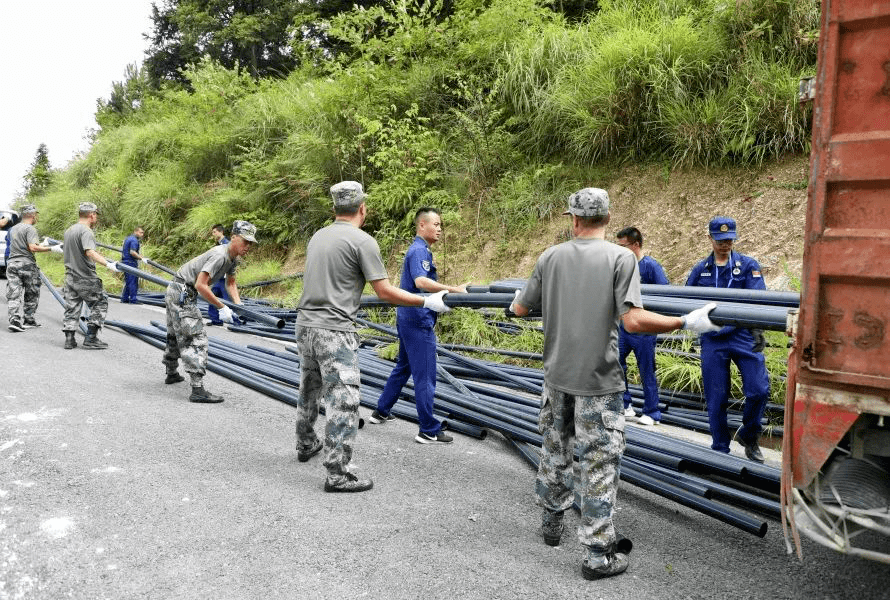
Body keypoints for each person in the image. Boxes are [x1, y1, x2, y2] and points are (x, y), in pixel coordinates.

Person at [510, 188, 719, 580]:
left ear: (573, 219)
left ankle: (552, 528)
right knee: (599, 465)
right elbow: (633, 321)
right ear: (607, 219)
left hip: (556, 377)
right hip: (599, 382)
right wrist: (686, 322)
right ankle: (596, 555)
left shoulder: (549, 257)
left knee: (555, 450)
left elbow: (520, 308)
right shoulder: (621, 258)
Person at [295, 181, 451, 493]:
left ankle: (306, 443)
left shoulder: (318, 236)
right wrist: (425, 301)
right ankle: (337, 473)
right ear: (362, 208)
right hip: (334, 330)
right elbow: (384, 291)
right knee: (344, 400)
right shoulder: (362, 241)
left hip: (305, 325)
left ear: (335, 208)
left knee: (310, 388)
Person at [368, 207, 469, 444]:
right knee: (425, 374)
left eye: (441, 225)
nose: (440, 229)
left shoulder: (419, 250)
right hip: (417, 319)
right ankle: (427, 429)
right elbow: (421, 281)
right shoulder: (419, 251)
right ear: (421, 225)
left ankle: (381, 411)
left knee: (403, 367)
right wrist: (454, 289)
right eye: (436, 224)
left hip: (407, 317)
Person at [685, 216, 770, 463]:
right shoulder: (701, 269)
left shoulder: (747, 265)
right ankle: (720, 448)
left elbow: (758, 299)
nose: (725, 244)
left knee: (758, 390)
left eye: (729, 239)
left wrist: (757, 330)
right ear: (710, 238)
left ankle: (749, 435)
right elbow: (687, 300)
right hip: (713, 339)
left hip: (743, 334)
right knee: (716, 396)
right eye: (720, 240)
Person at [163, 220, 256, 403]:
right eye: (245, 241)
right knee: (195, 338)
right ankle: (197, 389)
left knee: (175, 333)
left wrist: (239, 306)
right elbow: (201, 285)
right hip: (183, 291)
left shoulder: (232, 258)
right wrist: (221, 307)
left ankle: (171, 372)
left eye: (251, 243)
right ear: (234, 237)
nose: (248, 247)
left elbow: (231, 283)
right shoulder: (220, 255)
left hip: (177, 290)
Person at [615, 226, 670, 426]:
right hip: (624, 326)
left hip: (644, 329)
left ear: (636, 245)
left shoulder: (650, 266)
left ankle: (652, 412)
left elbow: (665, 295)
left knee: (646, 369)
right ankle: (624, 404)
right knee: (615, 364)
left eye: (623, 246)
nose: (619, 250)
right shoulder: (622, 266)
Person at [61, 202, 119, 350]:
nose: (96, 218)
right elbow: (89, 252)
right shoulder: (86, 231)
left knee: (72, 307)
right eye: (96, 215)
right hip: (85, 277)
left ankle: (69, 339)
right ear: (92, 215)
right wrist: (108, 264)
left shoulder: (69, 230)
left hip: (70, 277)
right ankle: (91, 337)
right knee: (100, 303)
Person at [6, 205, 55, 331]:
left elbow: (24, 245)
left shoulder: (13, 229)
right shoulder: (30, 228)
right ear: (33, 215)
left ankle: (14, 320)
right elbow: (32, 248)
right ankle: (28, 319)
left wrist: (43, 244)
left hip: (12, 263)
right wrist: (51, 248)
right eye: (36, 215)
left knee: (14, 292)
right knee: (32, 292)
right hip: (27, 264)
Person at [207, 224, 230, 325]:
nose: (213, 234)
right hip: (218, 277)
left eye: (214, 232)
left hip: (225, 278)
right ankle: (215, 320)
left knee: (227, 299)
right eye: (213, 233)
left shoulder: (227, 244)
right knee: (212, 296)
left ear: (221, 232)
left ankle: (234, 320)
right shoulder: (219, 244)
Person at [120, 226, 147, 303]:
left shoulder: (129, 238)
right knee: (133, 281)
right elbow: (132, 252)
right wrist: (141, 258)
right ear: (136, 232)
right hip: (130, 262)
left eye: (143, 233)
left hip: (125, 261)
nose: (142, 234)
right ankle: (133, 299)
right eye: (141, 232)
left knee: (128, 281)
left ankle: (124, 298)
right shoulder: (134, 240)